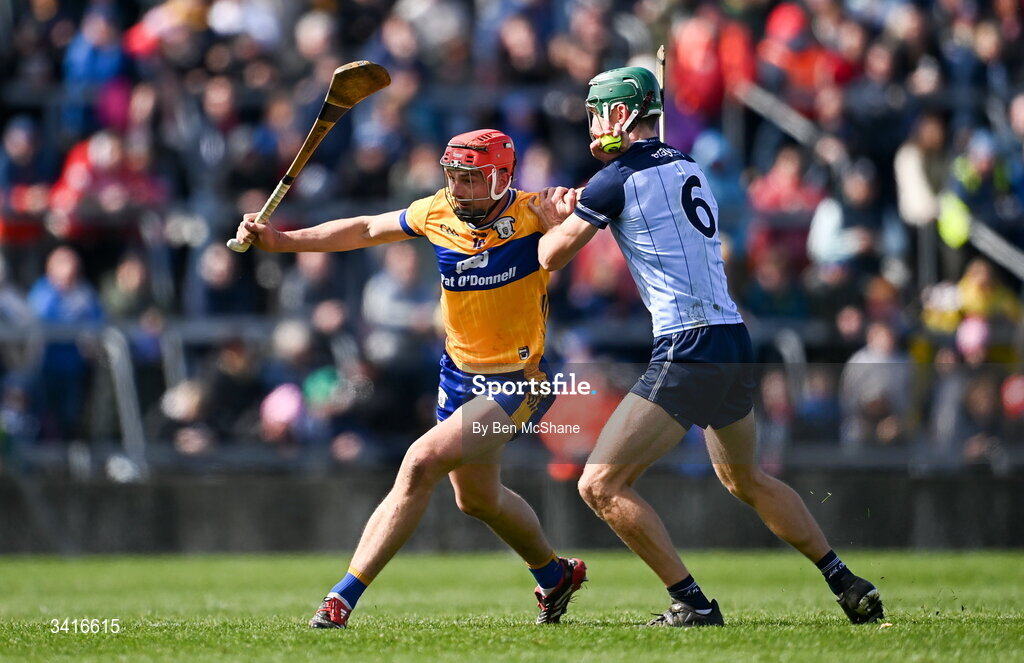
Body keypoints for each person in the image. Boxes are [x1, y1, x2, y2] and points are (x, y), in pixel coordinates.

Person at [536, 66, 884, 627]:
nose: (592, 123)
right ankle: (845, 580)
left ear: (621, 116)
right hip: (731, 337)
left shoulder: (615, 179)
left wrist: (552, 215)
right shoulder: (689, 163)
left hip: (686, 344)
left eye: (599, 112)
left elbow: (550, 259)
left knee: (599, 483)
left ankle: (693, 603)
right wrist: (591, 198)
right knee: (745, 478)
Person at [233, 129, 586, 629]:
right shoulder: (435, 211)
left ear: (503, 176)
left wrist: (569, 212)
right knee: (478, 499)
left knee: (419, 460)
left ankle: (342, 598)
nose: (458, 189)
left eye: (471, 180)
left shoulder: (535, 211)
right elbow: (363, 230)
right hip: (460, 376)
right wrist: (283, 240)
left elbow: (592, 222)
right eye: (454, 178)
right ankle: (555, 577)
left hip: (520, 382)